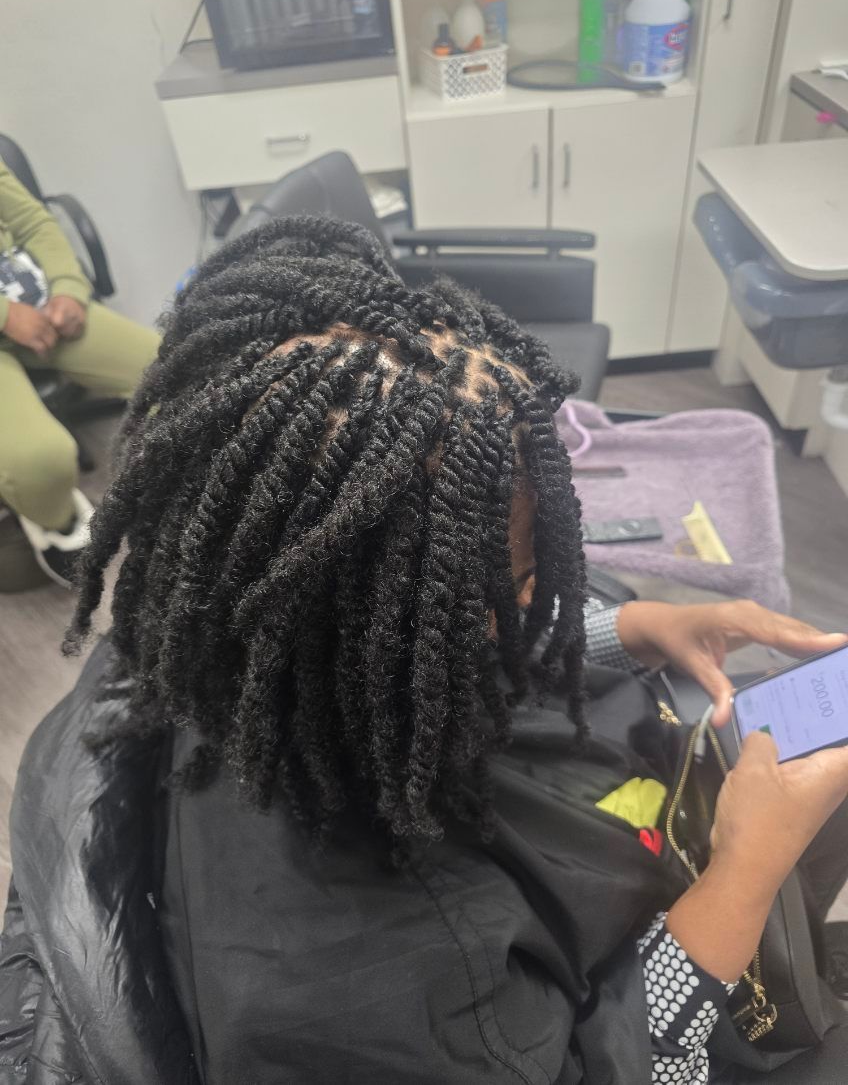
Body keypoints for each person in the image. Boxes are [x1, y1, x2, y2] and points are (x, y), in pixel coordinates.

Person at [1, 216, 847, 1085]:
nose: (540, 601)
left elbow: (459, 665)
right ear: (379, 622)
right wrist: (744, 873)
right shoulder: (365, 986)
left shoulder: (245, 648)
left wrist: (628, 631)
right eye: (518, 583)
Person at [0, 159, 159, 588]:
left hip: (37, 302)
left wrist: (68, 287)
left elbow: (33, 222)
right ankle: (56, 519)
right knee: (41, 460)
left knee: (178, 368)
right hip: (9, 316)